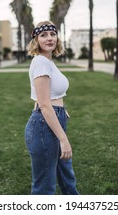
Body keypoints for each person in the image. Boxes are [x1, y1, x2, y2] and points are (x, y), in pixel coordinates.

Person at [25, 20, 79, 195]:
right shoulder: (41, 62)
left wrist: (61, 109)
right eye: (43, 35)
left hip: (53, 118)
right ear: (36, 40)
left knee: (67, 178)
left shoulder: (47, 61)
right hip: (43, 126)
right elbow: (44, 104)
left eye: (53, 34)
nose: (49, 38)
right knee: (45, 188)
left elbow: (45, 96)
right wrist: (64, 140)